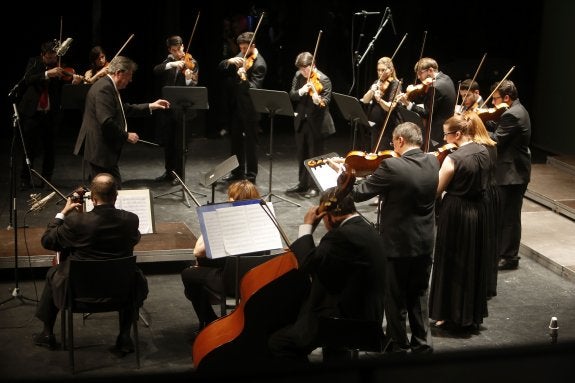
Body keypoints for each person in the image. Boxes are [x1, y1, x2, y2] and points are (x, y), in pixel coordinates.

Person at [342, 121, 438, 354]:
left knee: (394, 297)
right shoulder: (433, 161)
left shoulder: (392, 166)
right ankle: (422, 344)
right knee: (418, 294)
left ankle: (397, 344)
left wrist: (345, 175)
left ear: (400, 141)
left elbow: (357, 193)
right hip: (425, 241)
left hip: (398, 245)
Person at [33, 173, 149, 355]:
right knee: (131, 275)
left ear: (93, 198)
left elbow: (48, 241)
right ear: (116, 196)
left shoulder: (75, 222)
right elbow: (134, 239)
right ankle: (125, 336)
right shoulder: (130, 219)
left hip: (79, 296)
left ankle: (47, 334)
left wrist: (63, 213)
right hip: (121, 293)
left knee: (53, 273)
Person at [268, 191, 386, 363]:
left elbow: (308, 264)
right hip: (366, 316)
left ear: (329, 216)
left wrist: (307, 227)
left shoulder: (341, 236)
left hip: (345, 322)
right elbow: (329, 266)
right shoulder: (365, 229)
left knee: (280, 343)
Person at [428, 114, 490, 331]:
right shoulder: (484, 151)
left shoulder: (452, 159)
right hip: (478, 211)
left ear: (457, 134)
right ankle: (469, 314)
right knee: (472, 260)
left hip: (456, 212)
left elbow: (436, 190)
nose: (444, 138)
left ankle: (448, 314)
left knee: (451, 261)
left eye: (446, 134)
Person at [73, 56, 170, 187]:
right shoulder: (104, 89)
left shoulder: (108, 86)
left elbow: (124, 109)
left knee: (108, 192)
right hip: (100, 151)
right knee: (110, 191)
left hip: (101, 151)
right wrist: (126, 135)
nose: (130, 80)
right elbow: (106, 121)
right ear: (119, 73)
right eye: (129, 75)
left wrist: (150, 106)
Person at [181, 180, 265, 329]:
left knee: (189, 272)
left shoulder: (227, 224)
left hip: (230, 282)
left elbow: (197, 252)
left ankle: (209, 321)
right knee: (198, 270)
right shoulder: (264, 221)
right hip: (256, 279)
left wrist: (209, 222)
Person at [17, 39, 83, 190]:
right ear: (43, 55)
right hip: (32, 113)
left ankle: (46, 179)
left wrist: (73, 82)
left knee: (50, 148)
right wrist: (47, 73)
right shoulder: (34, 62)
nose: (53, 60)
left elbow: (63, 87)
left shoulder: (60, 66)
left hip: (51, 114)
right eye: (49, 57)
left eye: (54, 57)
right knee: (29, 148)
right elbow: (28, 79)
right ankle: (25, 179)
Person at [486, 80, 531, 271]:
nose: (493, 103)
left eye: (495, 99)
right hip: (513, 172)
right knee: (506, 215)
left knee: (509, 218)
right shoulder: (517, 109)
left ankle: (509, 257)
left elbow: (496, 140)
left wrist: (478, 129)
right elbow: (502, 131)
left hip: (512, 174)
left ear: (506, 97)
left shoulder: (512, 114)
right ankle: (504, 253)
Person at [218, 31, 267, 184]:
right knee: (236, 142)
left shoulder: (260, 64)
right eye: (241, 48)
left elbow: (254, 88)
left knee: (251, 144)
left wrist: (244, 76)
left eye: (246, 48)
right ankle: (237, 172)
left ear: (253, 46)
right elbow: (221, 67)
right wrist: (230, 61)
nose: (243, 52)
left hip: (251, 109)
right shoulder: (240, 54)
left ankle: (251, 176)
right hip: (237, 108)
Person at [286, 51, 335, 199]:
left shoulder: (324, 80)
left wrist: (315, 97)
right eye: (300, 69)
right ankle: (302, 184)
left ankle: (314, 187)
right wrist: (301, 91)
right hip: (302, 121)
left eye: (305, 69)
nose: (302, 72)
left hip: (317, 123)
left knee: (315, 156)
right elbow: (292, 94)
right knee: (302, 154)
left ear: (312, 65)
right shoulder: (298, 76)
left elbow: (325, 102)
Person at [153, 35, 199, 185]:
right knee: (168, 143)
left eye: (179, 50)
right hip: (168, 110)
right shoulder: (169, 62)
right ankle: (169, 172)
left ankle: (180, 176)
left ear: (183, 47)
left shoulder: (192, 62)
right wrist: (172, 64)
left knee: (181, 146)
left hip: (184, 111)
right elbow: (156, 70)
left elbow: (193, 85)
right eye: (174, 51)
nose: (178, 54)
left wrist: (187, 78)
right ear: (170, 50)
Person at [468, 112, 499, 298]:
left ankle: (479, 286)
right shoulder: (491, 145)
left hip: (483, 194)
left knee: (481, 241)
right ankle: (486, 285)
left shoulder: (478, 150)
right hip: (492, 193)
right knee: (488, 240)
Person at [396, 57, 456, 151]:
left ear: (430, 70)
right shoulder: (446, 78)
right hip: (447, 126)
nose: (419, 77)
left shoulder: (435, 87)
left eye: (420, 73)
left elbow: (427, 113)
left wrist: (408, 104)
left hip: (437, 132)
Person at [359, 56, 402, 152]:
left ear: (390, 70)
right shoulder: (377, 82)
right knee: (374, 153)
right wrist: (371, 91)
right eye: (378, 70)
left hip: (388, 127)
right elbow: (365, 100)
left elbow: (389, 108)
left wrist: (379, 100)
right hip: (376, 126)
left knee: (383, 154)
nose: (380, 73)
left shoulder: (396, 84)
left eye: (383, 70)